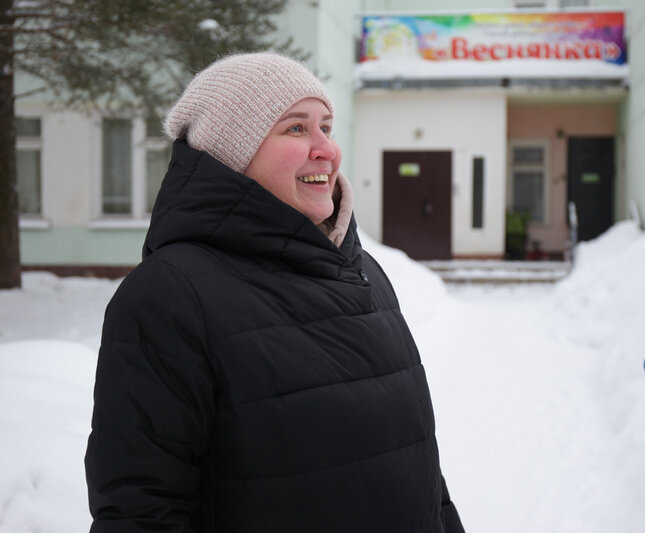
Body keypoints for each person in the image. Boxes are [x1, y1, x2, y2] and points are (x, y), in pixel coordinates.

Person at [84, 53, 465, 533]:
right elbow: (142, 513)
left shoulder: (364, 272)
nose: (326, 148)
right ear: (232, 154)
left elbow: (421, 474)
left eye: (326, 125)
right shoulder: (170, 296)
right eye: (296, 128)